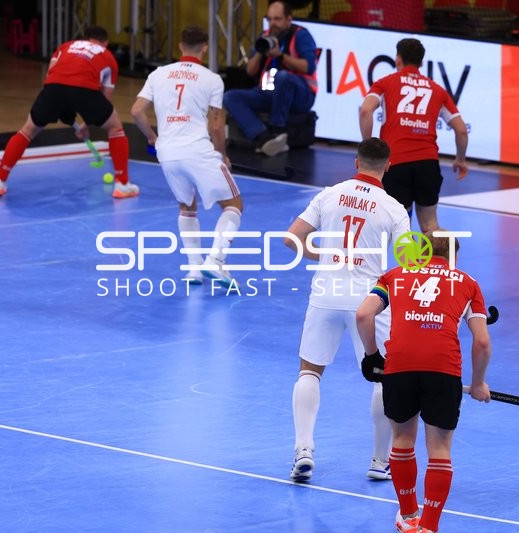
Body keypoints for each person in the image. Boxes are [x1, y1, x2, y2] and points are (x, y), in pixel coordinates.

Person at [284, 137, 411, 482]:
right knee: (383, 377)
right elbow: (408, 263)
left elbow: (292, 238)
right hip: (368, 300)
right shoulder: (394, 208)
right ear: (388, 166)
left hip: (325, 293)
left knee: (309, 371)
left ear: (356, 162)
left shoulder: (330, 194)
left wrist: (327, 255)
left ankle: (303, 450)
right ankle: (379, 461)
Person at [355, 232, 492, 533]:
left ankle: (408, 517)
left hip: (399, 366)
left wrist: (372, 357)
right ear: (454, 257)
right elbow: (481, 342)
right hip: (444, 369)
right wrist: (479, 383)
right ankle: (429, 527)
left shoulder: (393, 275)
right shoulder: (468, 283)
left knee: (402, 440)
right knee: (440, 448)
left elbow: (364, 314)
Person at [131, 25, 242, 287]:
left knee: (186, 206)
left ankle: (194, 269)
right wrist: (222, 155)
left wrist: (152, 137)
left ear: (180, 46)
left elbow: (136, 111)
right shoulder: (212, 79)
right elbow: (216, 126)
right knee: (234, 205)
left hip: (167, 152)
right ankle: (215, 262)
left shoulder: (158, 74)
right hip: (198, 150)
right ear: (204, 47)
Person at [0, 26, 139, 199]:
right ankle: (122, 184)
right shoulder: (108, 56)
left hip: (53, 88)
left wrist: (60, 106)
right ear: (105, 43)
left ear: (84, 38)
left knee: (27, 131)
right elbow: (105, 98)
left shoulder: (66, 46)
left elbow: (51, 75)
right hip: (85, 90)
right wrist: (86, 123)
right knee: (115, 128)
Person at [360, 38, 469, 233]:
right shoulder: (437, 90)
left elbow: (365, 111)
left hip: (396, 163)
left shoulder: (385, 83)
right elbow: (461, 129)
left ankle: (408, 265)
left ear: (398, 59)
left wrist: (367, 148)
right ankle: (436, 263)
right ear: (421, 63)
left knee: (402, 229)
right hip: (427, 163)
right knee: (430, 226)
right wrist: (460, 159)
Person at [223, 0, 317, 157]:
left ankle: (277, 130)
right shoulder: (265, 36)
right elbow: (250, 71)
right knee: (230, 97)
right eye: (269, 19)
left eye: (277, 19)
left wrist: (280, 56)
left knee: (283, 77)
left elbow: (308, 67)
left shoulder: (301, 35)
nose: (272, 23)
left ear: (289, 19)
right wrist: (261, 50)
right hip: (270, 93)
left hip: (301, 95)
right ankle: (263, 137)